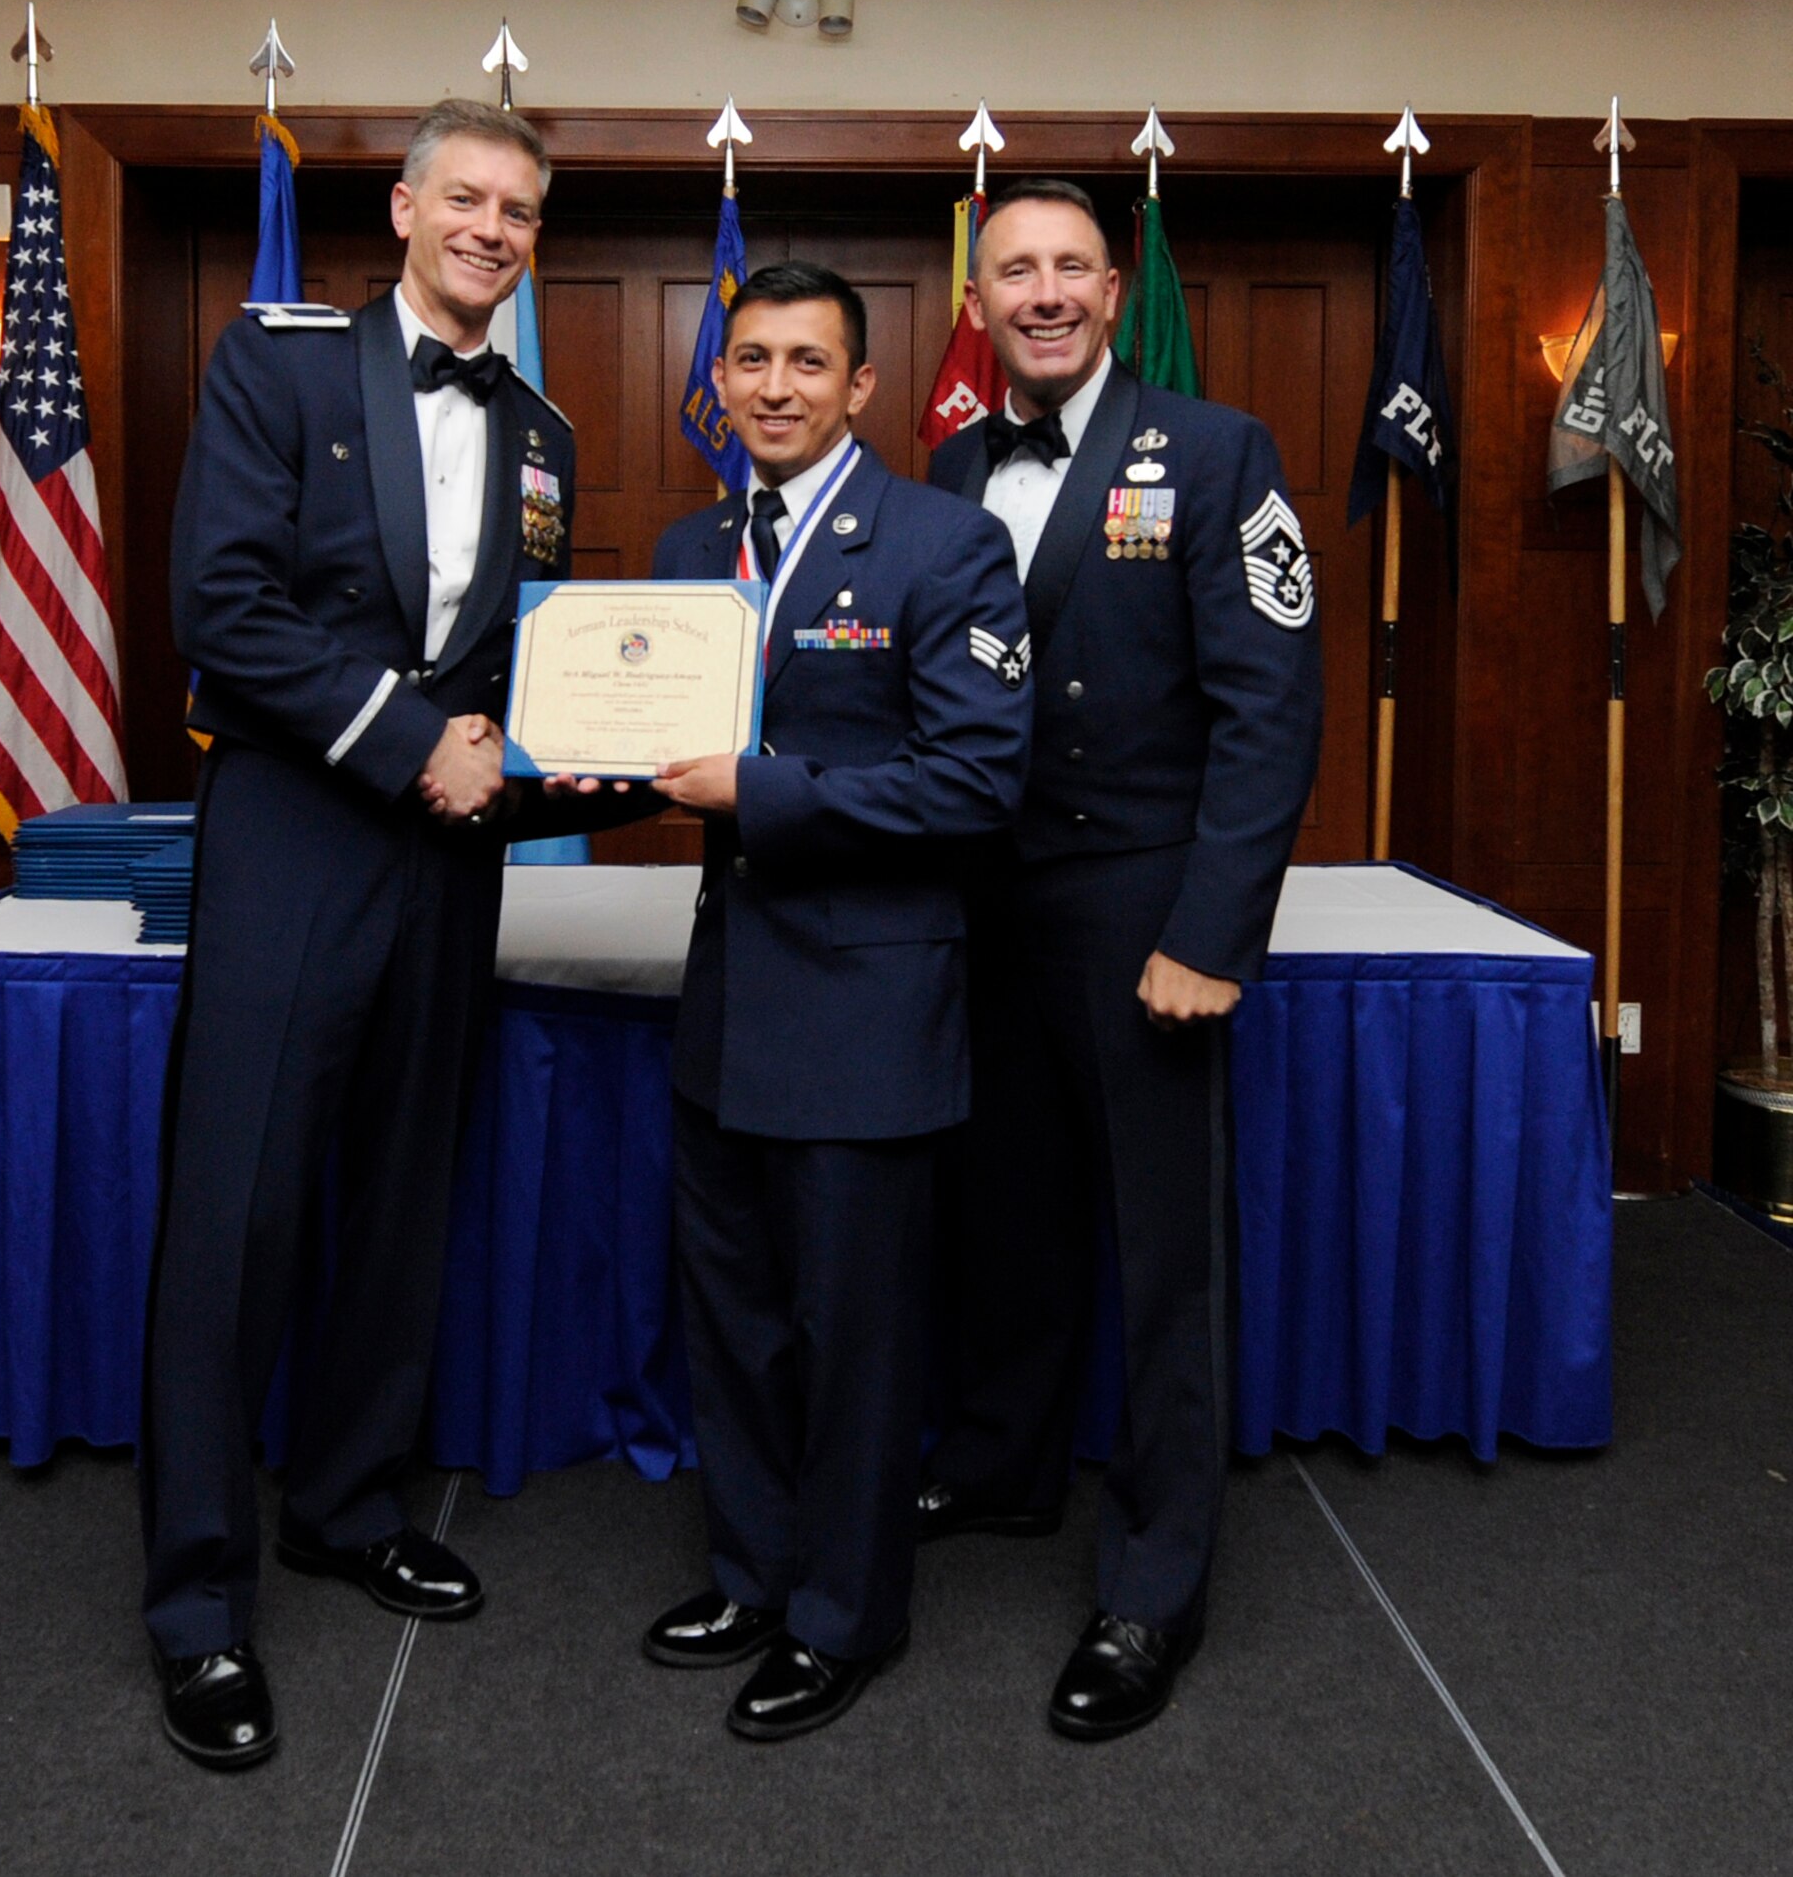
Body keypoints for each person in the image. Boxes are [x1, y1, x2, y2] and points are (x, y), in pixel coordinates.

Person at [141, 98, 576, 1769]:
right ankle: (198, 1601)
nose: (489, 231)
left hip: (448, 861)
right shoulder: (283, 366)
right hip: (297, 835)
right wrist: (412, 742)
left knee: (403, 1194)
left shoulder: (539, 429)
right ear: (402, 209)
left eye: (517, 211)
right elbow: (222, 607)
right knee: (238, 1214)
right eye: (464, 198)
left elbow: (519, 657)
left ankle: (344, 1502)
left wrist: (570, 749)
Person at [922, 179, 1323, 1741]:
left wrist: (1210, 934)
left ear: (1112, 290)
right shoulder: (956, 464)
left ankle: (1157, 1582)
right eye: (1013, 269)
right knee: (1007, 1215)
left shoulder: (1216, 453)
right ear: (981, 300)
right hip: (990, 908)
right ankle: (1005, 1466)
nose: (1041, 292)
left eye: (1069, 267)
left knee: (1164, 1259)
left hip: (1143, 913)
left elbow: (1269, 711)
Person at [638, 261, 1033, 1741]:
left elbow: (978, 781)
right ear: (719, 381)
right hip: (729, 996)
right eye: (752, 360)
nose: (777, 387)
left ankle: (842, 1617)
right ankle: (752, 1574)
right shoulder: (691, 548)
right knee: (734, 1317)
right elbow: (649, 732)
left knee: (854, 1337)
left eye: (809, 361)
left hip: (867, 1004)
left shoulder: (943, 542)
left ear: (862, 386)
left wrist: (764, 792)